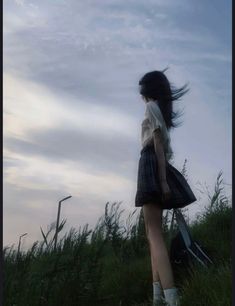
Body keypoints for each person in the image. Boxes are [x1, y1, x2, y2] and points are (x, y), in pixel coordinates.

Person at [135, 70, 197, 306]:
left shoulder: (151, 107)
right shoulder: (160, 110)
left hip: (150, 163)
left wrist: (162, 180)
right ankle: (158, 297)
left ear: (148, 91)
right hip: (153, 163)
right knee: (152, 235)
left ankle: (171, 297)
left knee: (154, 234)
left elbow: (158, 143)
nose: (141, 95)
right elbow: (161, 143)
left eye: (142, 90)